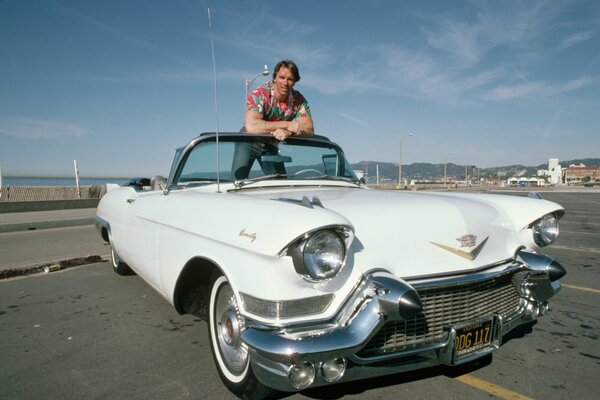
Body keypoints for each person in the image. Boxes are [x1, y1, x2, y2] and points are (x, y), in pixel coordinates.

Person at [233, 60, 314, 179]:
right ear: (275, 77)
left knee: (281, 183)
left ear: (295, 81)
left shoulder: (299, 100)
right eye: (282, 77)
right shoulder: (259, 93)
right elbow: (252, 126)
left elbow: (309, 129)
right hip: (247, 141)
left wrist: (289, 132)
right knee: (236, 182)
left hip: (271, 144)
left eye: (290, 79)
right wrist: (287, 125)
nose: (285, 83)